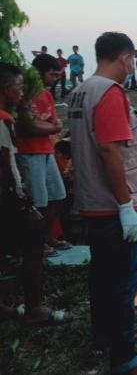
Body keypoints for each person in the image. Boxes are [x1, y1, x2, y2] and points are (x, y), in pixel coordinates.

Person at [68, 32, 137, 374]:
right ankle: (126, 359)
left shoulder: (81, 91)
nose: (132, 67)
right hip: (114, 204)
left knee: (101, 275)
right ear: (125, 58)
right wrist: (126, 206)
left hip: (92, 200)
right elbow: (110, 150)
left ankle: (107, 334)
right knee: (123, 282)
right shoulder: (110, 93)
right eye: (132, 60)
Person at [1, 62, 72, 326]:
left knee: (56, 197)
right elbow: (8, 165)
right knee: (30, 242)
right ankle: (34, 307)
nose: (21, 92)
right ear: (8, 89)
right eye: (17, 87)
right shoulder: (6, 119)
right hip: (16, 183)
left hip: (43, 154)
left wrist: (50, 127)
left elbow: (52, 124)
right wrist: (22, 202)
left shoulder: (15, 112)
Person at [16, 54, 69, 257]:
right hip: (29, 152)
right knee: (37, 200)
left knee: (57, 195)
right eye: (52, 74)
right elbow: (28, 125)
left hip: (46, 150)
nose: (55, 78)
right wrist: (47, 127)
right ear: (39, 72)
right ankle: (35, 242)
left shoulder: (46, 95)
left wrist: (44, 126)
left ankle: (47, 236)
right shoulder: (24, 95)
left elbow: (57, 124)